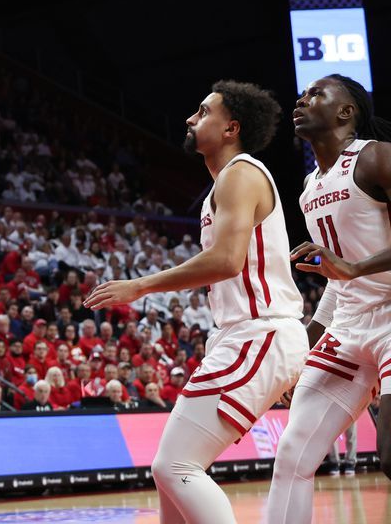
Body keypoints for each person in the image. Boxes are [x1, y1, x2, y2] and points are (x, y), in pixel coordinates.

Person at [86, 81, 308, 524]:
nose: (191, 118)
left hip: (258, 333)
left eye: (203, 111)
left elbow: (226, 260)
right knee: (172, 473)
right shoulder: (223, 185)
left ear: (231, 128)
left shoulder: (242, 173)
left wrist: (140, 286)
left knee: (174, 466)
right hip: (246, 335)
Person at [267, 75, 391, 522]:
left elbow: (346, 268)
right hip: (350, 324)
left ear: (346, 112)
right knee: (292, 455)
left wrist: (352, 267)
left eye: (316, 93)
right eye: (302, 93)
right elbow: (337, 282)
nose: (302, 99)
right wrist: (302, 346)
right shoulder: (308, 188)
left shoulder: (377, 156)